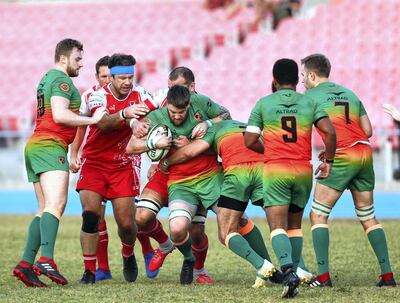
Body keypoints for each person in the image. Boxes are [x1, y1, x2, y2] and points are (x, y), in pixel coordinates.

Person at [12, 38, 107, 287]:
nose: (81, 64)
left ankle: (25, 264)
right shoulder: (62, 80)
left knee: (44, 207)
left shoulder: (46, 78)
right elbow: (61, 115)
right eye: (77, 59)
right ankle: (46, 259)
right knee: (57, 204)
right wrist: (93, 119)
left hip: (36, 145)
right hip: (50, 146)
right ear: (63, 59)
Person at [301, 53, 396, 288]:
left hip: (343, 155)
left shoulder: (309, 96)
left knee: (318, 214)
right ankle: (387, 276)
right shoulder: (350, 94)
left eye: (303, 75)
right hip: (364, 154)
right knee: (368, 216)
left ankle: (322, 278)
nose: (302, 80)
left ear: (312, 75)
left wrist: (331, 153)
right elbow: (368, 130)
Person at [244, 58, 336, 298]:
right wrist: (328, 161)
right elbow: (329, 132)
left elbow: (249, 140)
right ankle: (294, 269)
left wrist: (271, 150)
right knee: (295, 226)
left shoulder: (264, 103)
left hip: (276, 171)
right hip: (303, 171)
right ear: (297, 80)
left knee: (277, 227)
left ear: (274, 80)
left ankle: (288, 272)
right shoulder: (310, 101)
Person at [129, 66, 228, 285]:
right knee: (141, 217)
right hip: (167, 173)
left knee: (196, 231)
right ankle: (166, 246)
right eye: (169, 88)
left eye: (178, 88)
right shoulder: (162, 112)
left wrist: (208, 124)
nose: (172, 94)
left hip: (199, 174)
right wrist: (154, 148)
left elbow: (226, 118)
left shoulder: (201, 104)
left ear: (191, 87)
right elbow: (133, 144)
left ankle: (197, 269)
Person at [159, 119, 283, 287]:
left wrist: (170, 158)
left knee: (232, 227)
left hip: (216, 178)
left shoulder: (207, 118)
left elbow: (193, 150)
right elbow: (133, 146)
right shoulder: (160, 115)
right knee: (179, 228)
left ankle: (267, 267)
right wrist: (154, 146)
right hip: (183, 184)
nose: (178, 115)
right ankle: (190, 259)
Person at [70, 56, 158, 280]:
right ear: (112, 77)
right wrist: (125, 115)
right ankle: (90, 271)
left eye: (130, 77)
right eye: (122, 78)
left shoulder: (142, 95)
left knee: (127, 224)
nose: (127, 82)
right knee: (90, 216)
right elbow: (103, 123)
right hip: (95, 163)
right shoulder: (96, 95)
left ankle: (128, 253)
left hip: (123, 165)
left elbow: (157, 121)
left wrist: (155, 157)